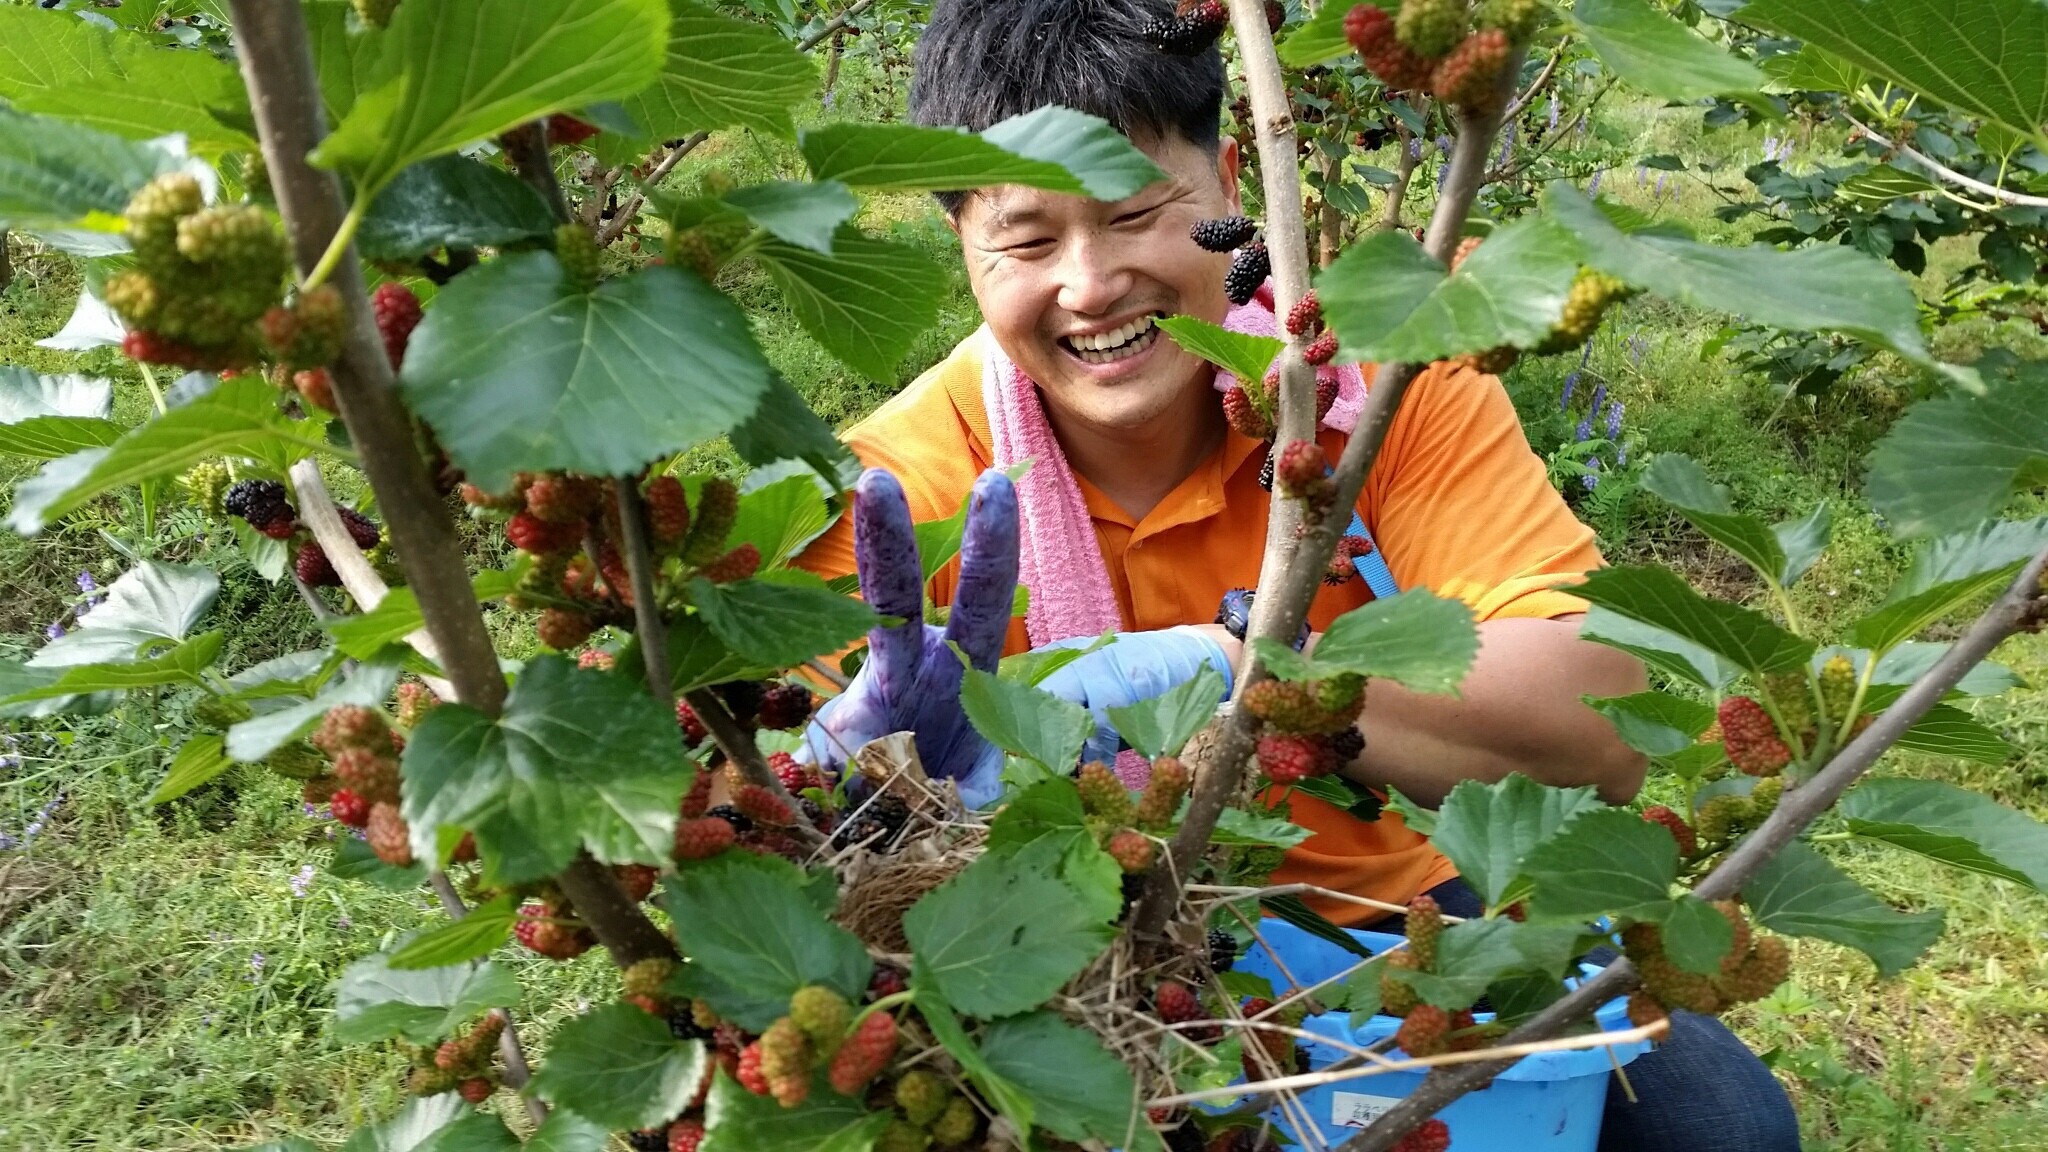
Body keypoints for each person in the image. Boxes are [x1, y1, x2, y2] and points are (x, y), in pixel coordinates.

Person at [795, 2, 1800, 1148]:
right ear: (960, 244)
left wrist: (1243, 672)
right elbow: (801, 853)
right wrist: (862, 795)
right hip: (1082, 955)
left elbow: (1598, 724)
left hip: (1397, 911)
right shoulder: (899, 501)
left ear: (1231, 181)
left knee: (1718, 1124)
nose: (1089, 284)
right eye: (1024, 242)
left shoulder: (1375, 391)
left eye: (1134, 213)